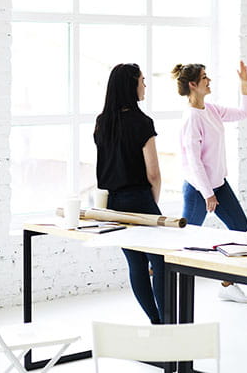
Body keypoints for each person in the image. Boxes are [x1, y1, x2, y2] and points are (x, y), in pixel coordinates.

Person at [172, 61, 247, 304]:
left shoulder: (211, 110)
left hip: (218, 184)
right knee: (186, 240)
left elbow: (244, 113)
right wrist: (208, 193)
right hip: (199, 189)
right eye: (204, 77)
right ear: (193, 85)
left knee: (240, 228)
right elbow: (194, 162)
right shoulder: (191, 118)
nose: (209, 81)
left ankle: (228, 285)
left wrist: (244, 84)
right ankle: (167, 280)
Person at [93, 63, 164, 324]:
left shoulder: (102, 123)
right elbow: (153, 173)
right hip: (140, 199)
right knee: (161, 263)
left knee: (136, 264)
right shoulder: (142, 122)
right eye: (142, 81)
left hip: (112, 203)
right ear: (131, 85)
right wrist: (152, 203)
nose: (145, 85)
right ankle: (168, 326)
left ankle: (156, 322)